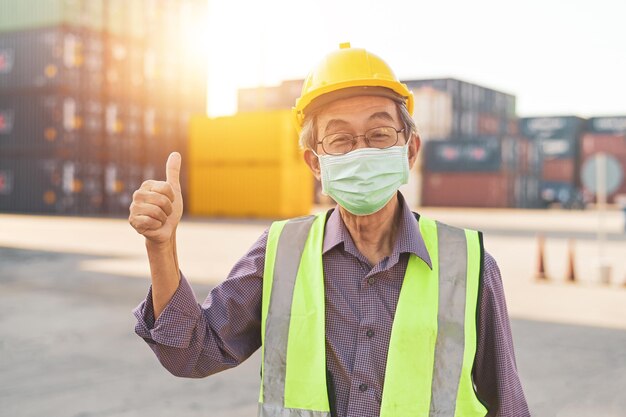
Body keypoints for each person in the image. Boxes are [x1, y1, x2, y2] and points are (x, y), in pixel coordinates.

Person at [129, 43, 530, 417]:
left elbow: (507, 404)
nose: (361, 151)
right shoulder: (281, 251)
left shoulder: (469, 266)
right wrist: (161, 249)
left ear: (409, 149)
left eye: (378, 134)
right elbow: (194, 353)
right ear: (315, 163)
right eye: (339, 139)